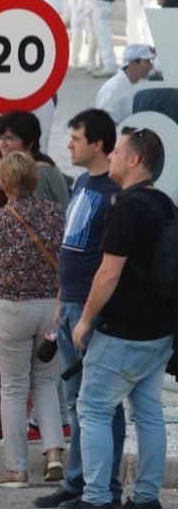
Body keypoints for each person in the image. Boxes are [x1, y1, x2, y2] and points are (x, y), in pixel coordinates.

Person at [72, 127, 173, 509]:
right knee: (148, 412)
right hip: (159, 331)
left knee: (93, 407)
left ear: (134, 160)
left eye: (116, 152)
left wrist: (84, 321)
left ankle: (96, 498)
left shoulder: (127, 207)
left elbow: (108, 273)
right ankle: (146, 498)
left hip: (123, 331)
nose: (110, 157)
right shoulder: (165, 204)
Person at [33, 108, 126, 509]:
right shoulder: (84, 182)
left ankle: (104, 487)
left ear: (98, 144)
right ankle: (77, 482)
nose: (69, 145)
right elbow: (71, 247)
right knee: (75, 402)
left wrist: (90, 314)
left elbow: (111, 262)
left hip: (94, 312)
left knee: (102, 403)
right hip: (68, 306)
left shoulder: (114, 192)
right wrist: (60, 302)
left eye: (76, 138)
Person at [0, 153, 66, 489]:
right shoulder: (57, 214)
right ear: (35, 179)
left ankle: (17, 469)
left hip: (11, 309)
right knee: (46, 381)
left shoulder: (0, 219)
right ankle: (54, 452)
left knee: (13, 387)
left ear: (3, 183)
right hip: (50, 307)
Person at [0, 111, 69, 205]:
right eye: (0, 138)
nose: (2, 144)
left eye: (9, 138)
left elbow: (36, 216)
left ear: (29, 142)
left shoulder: (34, 174)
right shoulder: (36, 165)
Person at [95, 43, 156, 122]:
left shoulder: (132, 85)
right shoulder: (114, 89)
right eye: (147, 61)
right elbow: (107, 127)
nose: (151, 66)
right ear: (133, 63)